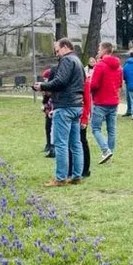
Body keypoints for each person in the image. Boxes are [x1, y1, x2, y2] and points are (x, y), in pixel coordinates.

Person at [34, 39, 85, 186]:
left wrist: (42, 85)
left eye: (57, 50)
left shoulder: (67, 60)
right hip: (76, 106)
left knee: (61, 143)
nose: (56, 54)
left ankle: (61, 178)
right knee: (76, 143)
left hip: (65, 106)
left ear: (65, 47)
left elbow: (60, 82)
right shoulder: (78, 61)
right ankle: (77, 175)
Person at [90, 42, 123, 163]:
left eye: (99, 49)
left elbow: (94, 84)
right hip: (113, 101)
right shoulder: (119, 67)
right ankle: (109, 155)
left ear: (104, 50)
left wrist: (90, 88)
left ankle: (105, 150)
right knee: (111, 130)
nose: (98, 51)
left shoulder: (100, 65)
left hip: (101, 101)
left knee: (95, 128)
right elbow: (120, 83)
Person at [41, 68, 55, 158]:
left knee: (53, 131)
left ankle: (52, 149)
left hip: (53, 111)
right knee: (48, 129)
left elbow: (52, 101)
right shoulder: (45, 88)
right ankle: (48, 145)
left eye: (45, 78)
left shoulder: (52, 87)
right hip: (48, 112)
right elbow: (45, 100)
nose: (44, 80)